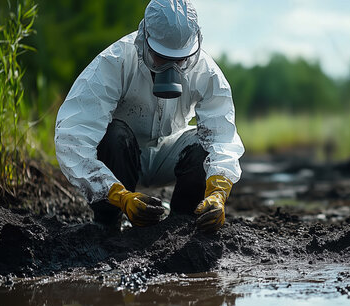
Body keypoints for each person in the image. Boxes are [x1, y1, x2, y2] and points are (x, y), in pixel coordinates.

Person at [54, 0, 244, 232]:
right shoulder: (114, 62)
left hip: (168, 151)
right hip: (120, 155)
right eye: (163, 58)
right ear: (144, 40)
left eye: (180, 59)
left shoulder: (206, 72)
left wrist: (218, 191)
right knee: (114, 134)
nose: (171, 68)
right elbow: (73, 139)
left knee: (202, 145)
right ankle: (108, 222)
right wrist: (118, 195)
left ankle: (183, 222)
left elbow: (222, 139)